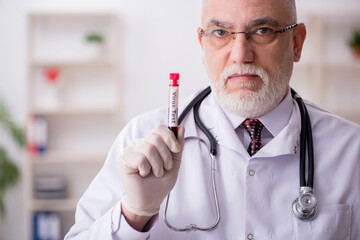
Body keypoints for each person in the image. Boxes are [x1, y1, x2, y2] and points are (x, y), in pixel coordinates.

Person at [65, 0, 360, 239]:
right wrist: (135, 213)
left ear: (296, 43)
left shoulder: (352, 151)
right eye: (221, 33)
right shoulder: (142, 139)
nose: (241, 54)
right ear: (202, 44)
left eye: (263, 31)